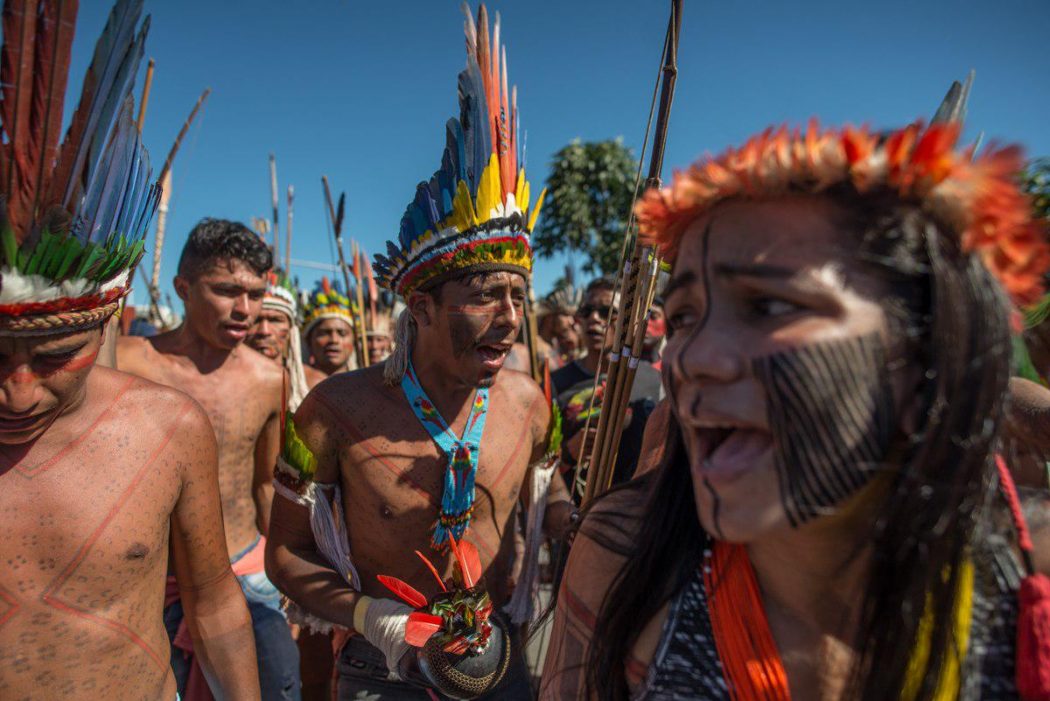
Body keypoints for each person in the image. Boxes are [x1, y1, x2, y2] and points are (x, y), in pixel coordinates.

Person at [541, 120, 1050, 699]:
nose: (693, 357)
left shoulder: (1029, 573)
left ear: (926, 359)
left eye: (770, 305)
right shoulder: (624, 557)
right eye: (682, 316)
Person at [266, 5, 575, 699]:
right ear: (424, 307)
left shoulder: (530, 402)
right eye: (486, 294)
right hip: (381, 671)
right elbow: (286, 551)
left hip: (499, 662)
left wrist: (576, 524)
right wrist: (367, 615)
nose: (510, 317)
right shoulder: (333, 411)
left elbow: (546, 498)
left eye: (519, 297)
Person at [0, 2, 259, 698]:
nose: (18, 391)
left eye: (54, 357)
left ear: (107, 319)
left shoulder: (167, 427)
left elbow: (213, 602)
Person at [118, 219, 299, 700]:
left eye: (257, 294)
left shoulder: (269, 379)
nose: (246, 310)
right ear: (183, 288)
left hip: (245, 574)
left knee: (278, 687)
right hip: (148, 583)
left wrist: (285, 572)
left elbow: (265, 485)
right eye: (226, 290)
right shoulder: (128, 363)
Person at [552, 276, 662, 491]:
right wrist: (568, 452)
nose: (594, 318)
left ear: (630, 322)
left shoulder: (652, 380)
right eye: (586, 311)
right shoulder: (556, 382)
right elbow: (539, 463)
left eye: (606, 312)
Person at [247, 271, 326, 398]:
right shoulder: (226, 381)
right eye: (256, 320)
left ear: (291, 330)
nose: (264, 331)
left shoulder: (314, 384)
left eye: (275, 320)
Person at [302, 279, 357, 377]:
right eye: (324, 333)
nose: (334, 340)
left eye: (342, 333)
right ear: (309, 340)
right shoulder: (293, 382)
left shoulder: (367, 384)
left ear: (354, 341)